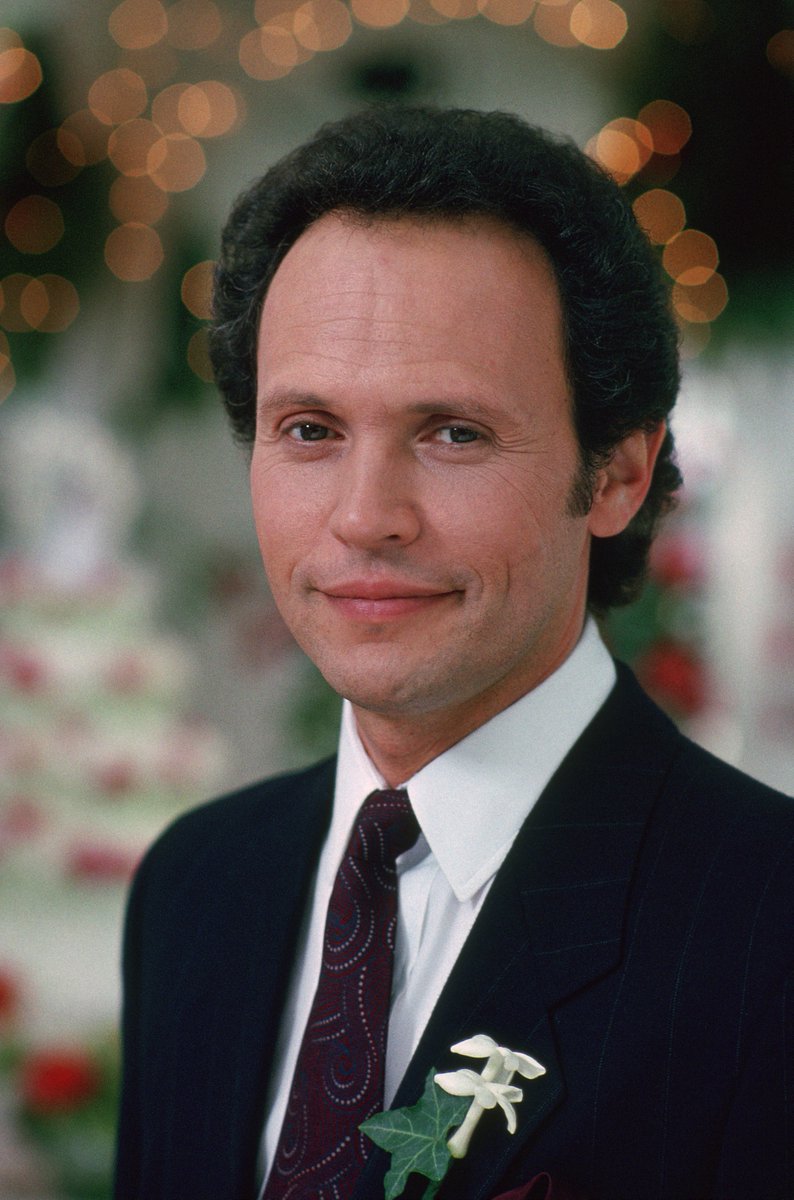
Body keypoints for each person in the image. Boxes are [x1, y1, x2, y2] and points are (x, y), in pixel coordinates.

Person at [114, 107, 794, 1200]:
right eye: (309, 430)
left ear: (618, 475)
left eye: (453, 433)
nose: (364, 517)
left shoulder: (768, 929)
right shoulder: (195, 885)